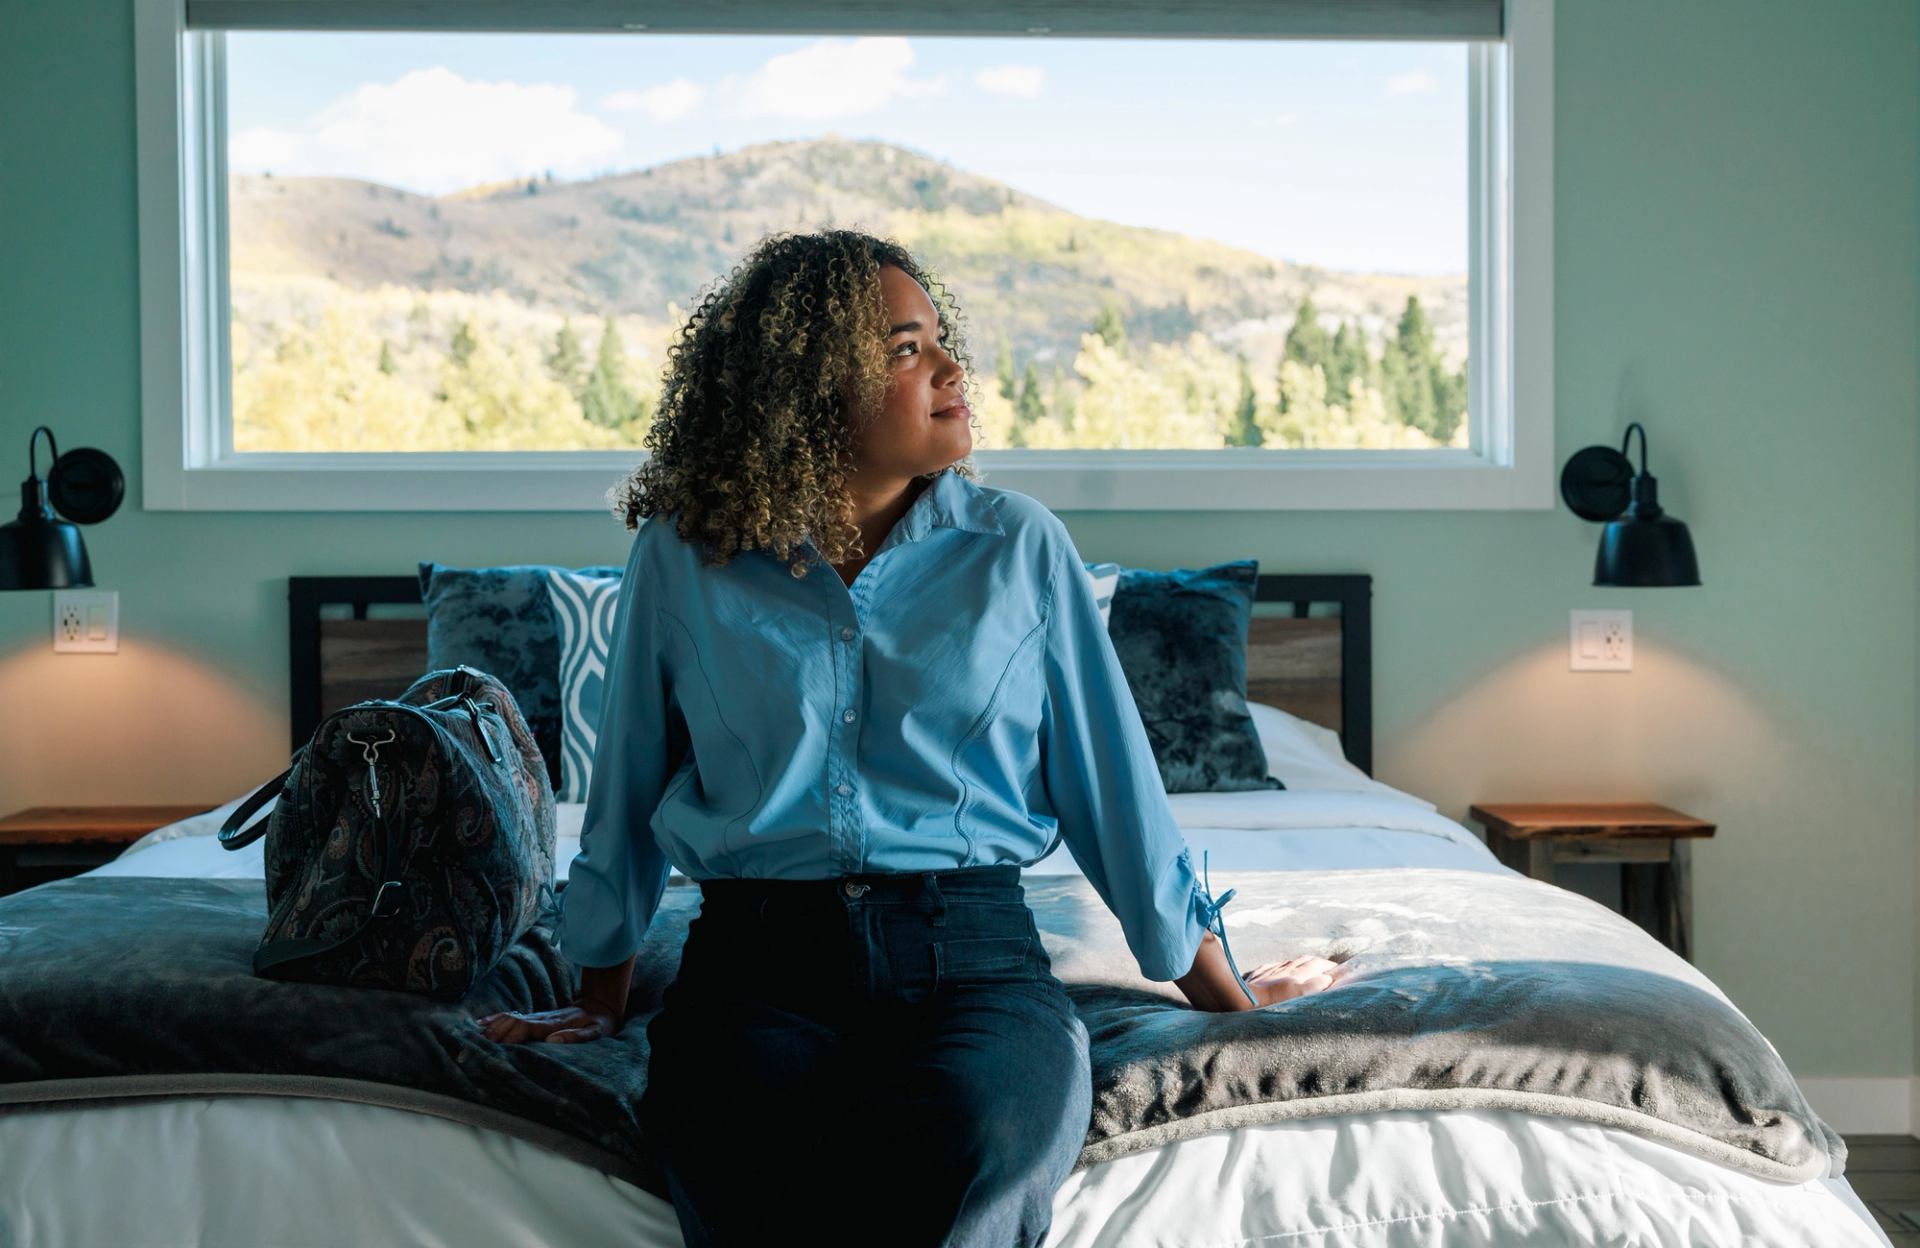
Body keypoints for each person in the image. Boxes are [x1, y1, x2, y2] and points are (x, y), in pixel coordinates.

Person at [477, 230, 1344, 1246]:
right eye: (903, 349)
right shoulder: (682, 555)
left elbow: (1116, 797)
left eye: (939, 340)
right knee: (752, 1182)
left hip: (972, 964)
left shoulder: (1018, 546)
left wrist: (1223, 989)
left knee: (977, 1152)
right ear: (808, 389)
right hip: (755, 972)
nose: (949, 369)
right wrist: (597, 992)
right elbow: (626, 792)